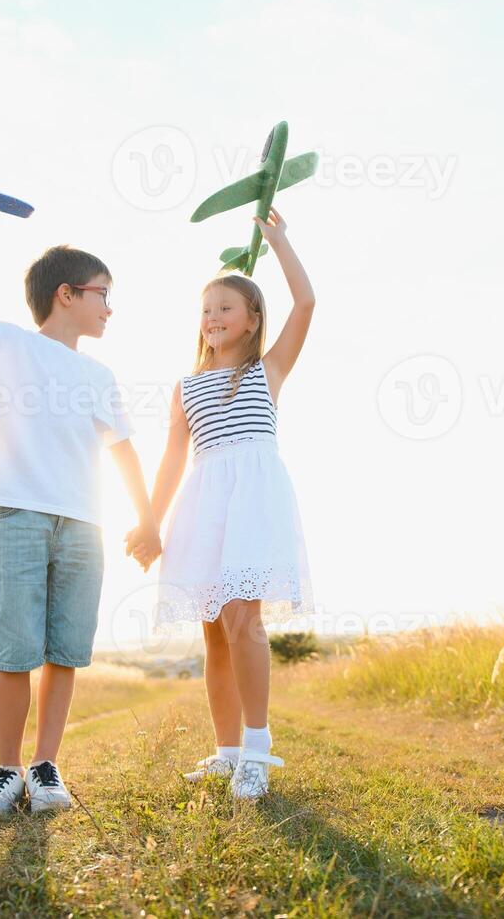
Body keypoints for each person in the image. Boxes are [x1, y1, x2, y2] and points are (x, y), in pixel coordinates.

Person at [0, 182, 162, 816]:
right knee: (17, 648)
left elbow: (125, 451)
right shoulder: (7, 343)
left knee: (65, 650)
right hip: (21, 515)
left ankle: (47, 766)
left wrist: (146, 519)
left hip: (86, 526)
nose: (109, 309)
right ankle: (6, 770)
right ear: (67, 294)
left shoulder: (100, 375)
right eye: (103, 295)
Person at [138, 206, 315, 800]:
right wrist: (148, 521)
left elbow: (308, 302)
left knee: (245, 620)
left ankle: (259, 753)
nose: (212, 317)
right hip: (202, 503)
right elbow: (170, 461)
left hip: (253, 503)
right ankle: (228, 751)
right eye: (206, 309)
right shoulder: (186, 387)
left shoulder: (268, 371)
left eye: (225, 308)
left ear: (251, 318)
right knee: (214, 632)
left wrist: (280, 241)